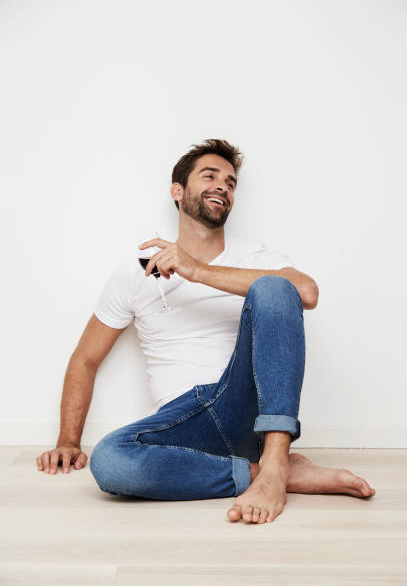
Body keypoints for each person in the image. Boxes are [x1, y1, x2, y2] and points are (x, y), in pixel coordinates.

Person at [36, 139, 375, 524]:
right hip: (184, 423)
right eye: (210, 176)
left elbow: (307, 292)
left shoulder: (256, 258)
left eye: (230, 183)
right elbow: (86, 359)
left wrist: (196, 270)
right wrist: (67, 441)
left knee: (275, 286)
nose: (223, 186)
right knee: (112, 460)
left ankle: (276, 457)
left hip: (244, 404)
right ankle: (270, 473)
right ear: (177, 192)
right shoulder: (134, 274)